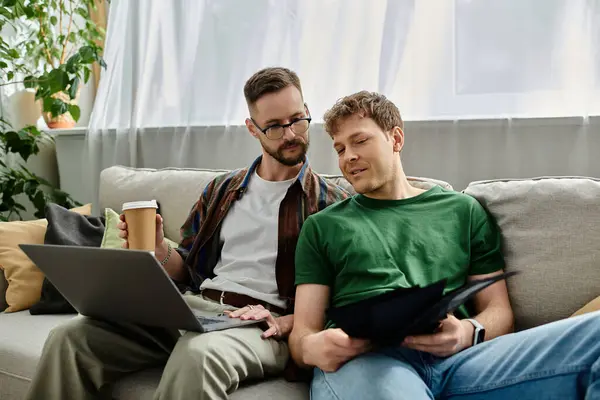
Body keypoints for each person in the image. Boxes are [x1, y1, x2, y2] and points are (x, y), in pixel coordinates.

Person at [25, 67, 349, 400]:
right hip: (196, 308)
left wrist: (287, 322)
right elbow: (188, 269)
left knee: (197, 356)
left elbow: (349, 300)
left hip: (261, 325)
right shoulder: (223, 189)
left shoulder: (332, 204)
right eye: (275, 126)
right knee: (71, 338)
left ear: (307, 112)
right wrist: (157, 248)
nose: (291, 134)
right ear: (252, 129)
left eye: (297, 119)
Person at [289, 90, 600, 399]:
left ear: (396, 139)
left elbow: (498, 311)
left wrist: (466, 332)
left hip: (462, 363)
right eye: (340, 148)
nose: (348, 157)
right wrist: (313, 347)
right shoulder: (322, 226)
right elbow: (303, 332)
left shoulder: (463, 210)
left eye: (359, 141)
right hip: (370, 363)